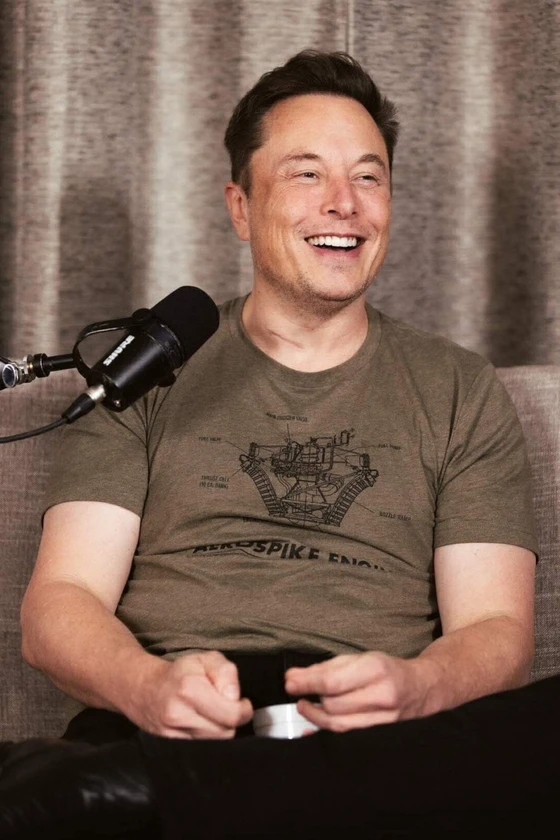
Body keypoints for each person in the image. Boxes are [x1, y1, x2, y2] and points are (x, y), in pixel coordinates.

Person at [4, 42, 538, 776]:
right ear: (241, 208)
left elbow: (497, 628)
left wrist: (419, 687)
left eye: (368, 177)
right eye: (306, 173)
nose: (344, 203)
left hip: (374, 741)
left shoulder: (461, 389)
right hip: (165, 731)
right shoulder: (144, 369)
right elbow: (60, 604)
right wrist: (148, 687)